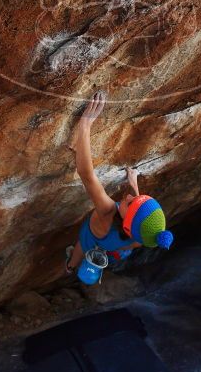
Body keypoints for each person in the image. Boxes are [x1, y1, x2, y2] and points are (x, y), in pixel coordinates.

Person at [65, 91, 173, 275]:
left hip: (93, 236)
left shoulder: (107, 212)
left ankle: (70, 267)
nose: (131, 196)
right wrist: (133, 181)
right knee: (98, 246)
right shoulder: (141, 237)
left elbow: (87, 175)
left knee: (81, 248)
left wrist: (85, 125)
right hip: (114, 245)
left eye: (131, 202)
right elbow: (137, 212)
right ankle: (75, 268)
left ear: (127, 223)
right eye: (141, 199)